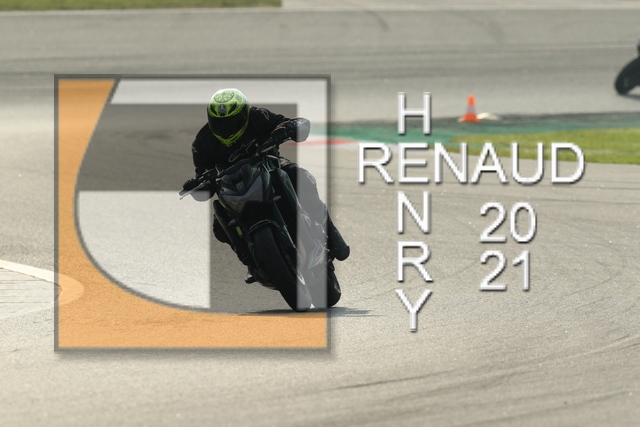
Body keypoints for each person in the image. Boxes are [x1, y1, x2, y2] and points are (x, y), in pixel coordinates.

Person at [182, 88, 349, 282]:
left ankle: (328, 227)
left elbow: (296, 122)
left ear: (244, 115)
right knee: (219, 222)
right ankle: (250, 261)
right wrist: (198, 185)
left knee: (297, 175)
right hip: (233, 184)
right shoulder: (202, 142)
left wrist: (286, 129)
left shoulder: (258, 116)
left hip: (268, 166)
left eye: (232, 122)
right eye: (219, 123)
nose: (226, 128)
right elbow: (203, 177)